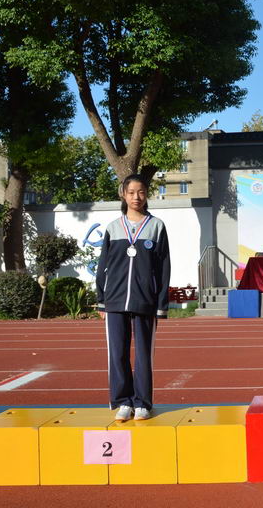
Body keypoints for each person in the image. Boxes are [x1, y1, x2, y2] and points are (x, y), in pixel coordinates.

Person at [96, 174, 171, 422]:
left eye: (141, 192)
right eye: (131, 192)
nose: (136, 197)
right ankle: (123, 401)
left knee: (143, 355)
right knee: (117, 353)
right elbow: (103, 265)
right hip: (115, 299)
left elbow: (164, 267)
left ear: (146, 194)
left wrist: (161, 303)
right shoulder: (113, 227)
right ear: (123, 194)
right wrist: (101, 299)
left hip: (145, 299)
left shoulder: (156, 226)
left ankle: (142, 403)